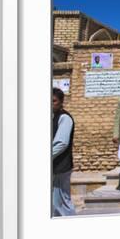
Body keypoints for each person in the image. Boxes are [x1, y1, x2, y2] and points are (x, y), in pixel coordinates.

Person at [52, 87, 76, 216]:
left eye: (54, 101)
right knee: (55, 204)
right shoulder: (54, 117)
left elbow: (61, 143)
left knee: (62, 204)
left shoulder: (64, 118)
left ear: (61, 102)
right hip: (55, 167)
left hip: (61, 167)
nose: (51, 104)